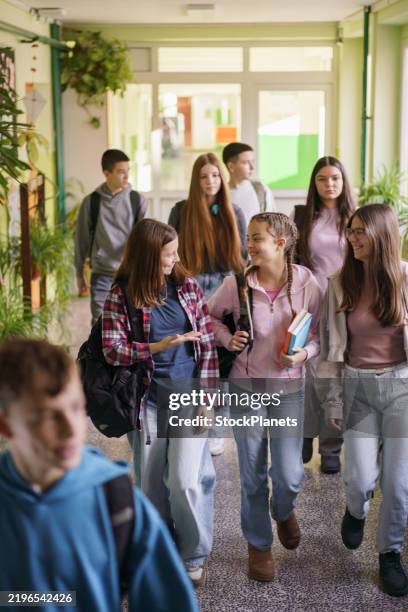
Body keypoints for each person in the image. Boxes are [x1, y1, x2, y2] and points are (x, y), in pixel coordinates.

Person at [0, 339, 198, 612]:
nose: (71, 430)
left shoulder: (116, 501)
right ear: (6, 425)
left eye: (76, 408)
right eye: (47, 416)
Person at [102, 218, 217, 588]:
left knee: (184, 480)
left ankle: (193, 554)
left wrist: (208, 398)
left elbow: (207, 345)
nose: (175, 258)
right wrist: (156, 347)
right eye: (168, 253)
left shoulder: (187, 287)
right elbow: (112, 350)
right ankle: (159, 547)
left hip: (188, 395)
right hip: (146, 401)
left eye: (175, 251)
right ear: (149, 256)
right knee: (151, 487)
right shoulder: (122, 294)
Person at [208, 212, 322, 582]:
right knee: (252, 473)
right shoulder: (236, 284)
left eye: (258, 238)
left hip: (289, 388)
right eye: (249, 237)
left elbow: (321, 335)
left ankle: (284, 510)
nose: (250, 244)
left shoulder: (307, 283)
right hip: (246, 388)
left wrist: (304, 354)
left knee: (288, 475)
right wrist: (227, 339)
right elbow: (208, 318)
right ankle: (258, 545)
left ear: (281, 243)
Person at [319, 203, 408, 597]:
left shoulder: (405, 279)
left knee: (399, 484)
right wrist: (332, 402)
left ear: (383, 235)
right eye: (350, 230)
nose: (352, 238)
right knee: (358, 478)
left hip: (401, 387)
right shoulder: (340, 282)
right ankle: (356, 510)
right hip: (357, 387)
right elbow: (328, 351)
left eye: (361, 231)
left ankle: (389, 553)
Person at [168, 152, 246, 456]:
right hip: (191, 285)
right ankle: (192, 418)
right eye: (204, 176)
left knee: (223, 359)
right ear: (195, 180)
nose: (210, 181)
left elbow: (244, 260)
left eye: (215, 175)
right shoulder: (181, 211)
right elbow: (170, 254)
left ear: (222, 178)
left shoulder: (234, 211)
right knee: (193, 355)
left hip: (226, 286)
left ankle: (218, 427)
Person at [292, 156, 356, 474]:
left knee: (335, 372)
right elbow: (293, 261)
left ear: (343, 181)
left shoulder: (355, 217)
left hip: (346, 302)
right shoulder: (302, 216)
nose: (329, 184)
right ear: (314, 184)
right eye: (322, 179)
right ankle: (304, 433)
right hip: (309, 301)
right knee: (305, 371)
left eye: (335, 178)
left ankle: (331, 446)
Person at [75, 149, 147, 324]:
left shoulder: (136, 200)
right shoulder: (91, 202)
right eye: (121, 172)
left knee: (132, 323)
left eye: (128, 171)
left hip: (131, 274)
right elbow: (81, 240)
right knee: (99, 323)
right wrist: (79, 272)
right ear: (106, 173)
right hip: (101, 273)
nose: (126, 176)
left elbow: (145, 239)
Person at [222, 142, 276, 226]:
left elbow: (273, 221)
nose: (252, 167)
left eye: (252, 162)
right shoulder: (221, 193)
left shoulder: (261, 189)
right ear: (231, 167)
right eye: (246, 162)